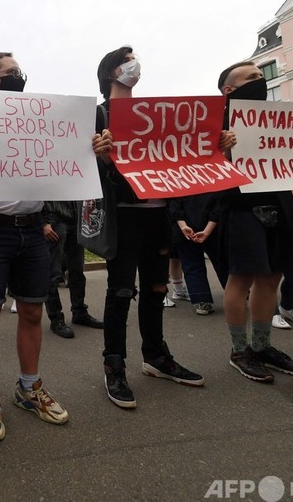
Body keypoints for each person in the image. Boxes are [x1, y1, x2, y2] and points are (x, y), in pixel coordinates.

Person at [0, 51, 109, 440]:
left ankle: (29, 386)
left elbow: (68, 167)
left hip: (33, 229)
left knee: (33, 312)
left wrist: (93, 152)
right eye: (11, 72)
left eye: (20, 72)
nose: (19, 77)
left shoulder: (42, 121)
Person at [94, 46, 206, 410]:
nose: (134, 65)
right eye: (127, 60)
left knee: (157, 288)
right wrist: (100, 156)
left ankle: (155, 356)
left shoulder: (157, 115)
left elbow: (183, 156)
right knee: (121, 290)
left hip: (159, 214)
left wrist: (217, 147)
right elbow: (81, 170)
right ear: (112, 70)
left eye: (134, 59)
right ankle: (114, 364)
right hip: (123, 215)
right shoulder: (98, 116)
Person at [217, 60, 293, 381]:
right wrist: (223, 151)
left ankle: (262, 347)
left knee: (272, 277)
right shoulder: (216, 123)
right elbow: (205, 169)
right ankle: (239, 350)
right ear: (229, 89)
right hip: (242, 209)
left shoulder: (277, 119)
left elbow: (290, 158)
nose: (261, 80)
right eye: (252, 77)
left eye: (261, 75)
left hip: (279, 204)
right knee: (242, 278)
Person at [42, 200, 103, 338]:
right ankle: (56, 319)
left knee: (77, 270)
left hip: (75, 218)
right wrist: (44, 223)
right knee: (53, 274)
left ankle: (79, 311)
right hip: (54, 218)